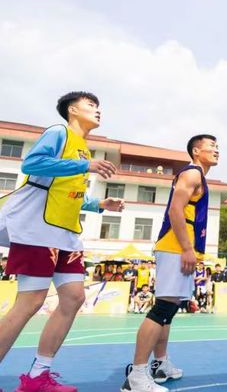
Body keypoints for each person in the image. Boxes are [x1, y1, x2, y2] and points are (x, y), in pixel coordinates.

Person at [0, 91, 125, 391]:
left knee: (73, 298)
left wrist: (99, 204)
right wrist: (85, 167)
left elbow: (69, 193)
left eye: (98, 105)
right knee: (30, 302)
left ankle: (37, 377)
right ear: (72, 110)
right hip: (37, 227)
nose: (97, 109)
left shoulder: (83, 150)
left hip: (65, 233)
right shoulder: (59, 132)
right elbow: (32, 164)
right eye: (91, 105)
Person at [122, 134, 218, 392]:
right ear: (196, 151)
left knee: (169, 308)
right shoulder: (192, 174)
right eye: (211, 146)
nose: (216, 150)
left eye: (217, 146)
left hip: (179, 247)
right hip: (175, 246)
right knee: (163, 308)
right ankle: (137, 375)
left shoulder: (198, 177)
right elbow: (176, 210)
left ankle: (160, 364)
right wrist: (186, 248)